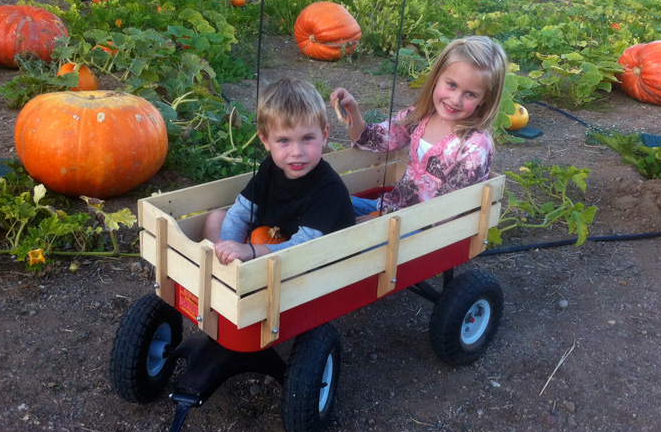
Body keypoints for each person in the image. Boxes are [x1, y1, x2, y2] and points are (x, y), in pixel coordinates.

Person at [330, 36, 506, 218]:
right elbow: (370, 139)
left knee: (345, 231)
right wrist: (351, 111)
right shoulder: (419, 117)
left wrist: (375, 223)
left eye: (470, 94)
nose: (455, 100)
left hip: (423, 231)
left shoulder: (474, 146)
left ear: (483, 99)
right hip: (387, 211)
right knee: (326, 199)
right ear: (437, 77)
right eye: (451, 85)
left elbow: (448, 212)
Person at [204, 77, 355, 264]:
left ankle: (231, 275)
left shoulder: (329, 188)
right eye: (284, 141)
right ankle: (220, 269)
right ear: (265, 140)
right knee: (216, 218)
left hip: (314, 260)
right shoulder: (270, 167)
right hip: (272, 240)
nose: (296, 152)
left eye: (307, 138)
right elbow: (242, 211)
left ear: (324, 135)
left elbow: (303, 247)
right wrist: (228, 248)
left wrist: (250, 251)